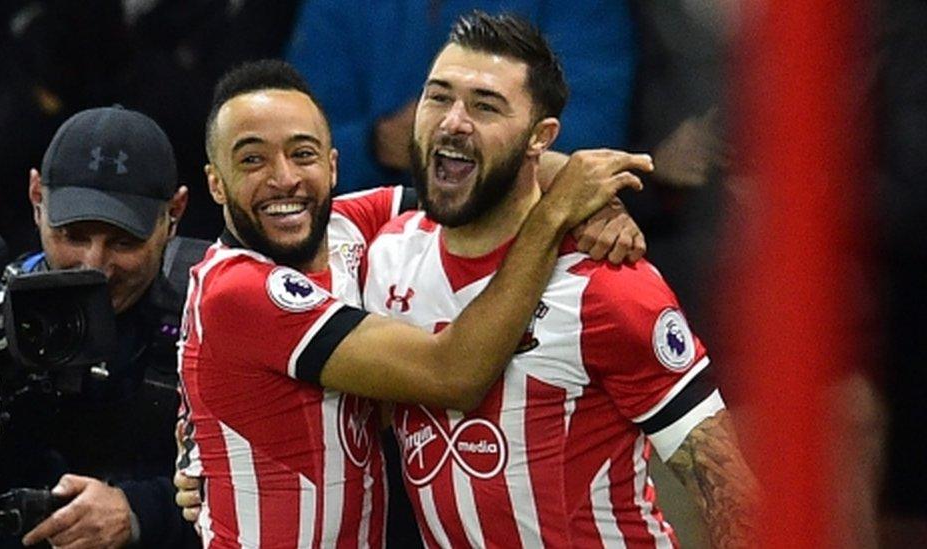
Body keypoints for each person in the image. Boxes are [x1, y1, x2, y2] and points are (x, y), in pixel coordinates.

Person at [175, 59, 650, 547]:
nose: (284, 178)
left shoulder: (349, 225)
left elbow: (494, 178)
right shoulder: (235, 290)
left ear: (333, 165)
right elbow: (452, 374)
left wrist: (597, 202)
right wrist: (557, 214)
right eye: (252, 160)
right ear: (216, 183)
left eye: (303, 154)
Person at [358, 12, 758, 547]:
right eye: (438, 97)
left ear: (539, 138)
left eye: (485, 105)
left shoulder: (610, 285)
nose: (453, 120)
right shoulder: (382, 256)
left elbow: (730, 490)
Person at [0, 106, 203, 548]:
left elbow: (268, 487)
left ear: (175, 212)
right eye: (73, 236)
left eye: (123, 241)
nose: (95, 266)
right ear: (36, 199)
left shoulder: (213, 309)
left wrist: (139, 512)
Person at [286, 0, 637, 193]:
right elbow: (300, 136)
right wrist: (375, 144)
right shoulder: (339, 8)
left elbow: (588, 136)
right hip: (366, 235)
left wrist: (472, 150)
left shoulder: (582, 9)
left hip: (526, 238)